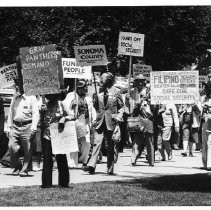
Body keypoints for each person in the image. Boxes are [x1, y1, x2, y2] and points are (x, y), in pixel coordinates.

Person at [83, 72, 124, 175]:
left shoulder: (117, 91)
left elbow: (122, 107)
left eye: (103, 78)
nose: (101, 80)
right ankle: (91, 166)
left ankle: (110, 168)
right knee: (97, 143)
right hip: (100, 122)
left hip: (111, 122)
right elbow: (97, 107)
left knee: (110, 146)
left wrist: (119, 116)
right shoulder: (99, 92)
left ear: (109, 80)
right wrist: (95, 101)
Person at [7, 81, 40, 176]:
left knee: (28, 149)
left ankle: (25, 169)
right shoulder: (15, 97)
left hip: (27, 126)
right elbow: (10, 112)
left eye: (18, 84)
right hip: (15, 126)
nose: (16, 86)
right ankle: (17, 166)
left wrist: (33, 128)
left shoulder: (31, 97)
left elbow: (35, 113)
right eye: (15, 84)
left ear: (24, 85)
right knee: (12, 147)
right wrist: (8, 127)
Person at [62, 79, 97, 169]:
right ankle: (72, 163)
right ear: (77, 88)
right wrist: (71, 106)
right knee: (73, 142)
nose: (84, 89)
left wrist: (94, 119)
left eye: (85, 87)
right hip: (74, 121)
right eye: (82, 87)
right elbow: (65, 105)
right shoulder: (71, 95)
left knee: (86, 142)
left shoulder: (88, 97)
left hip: (85, 122)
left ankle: (84, 160)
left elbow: (91, 109)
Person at [40, 92, 70, 188]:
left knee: (61, 158)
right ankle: (46, 183)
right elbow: (41, 121)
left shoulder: (61, 104)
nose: (53, 98)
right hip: (47, 135)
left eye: (55, 96)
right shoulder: (44, 105)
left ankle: (63, 183)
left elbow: (72, 115)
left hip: (59, 135)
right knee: (47, 159)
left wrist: (64, 118)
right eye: (51, 96)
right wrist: (42, 112)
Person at [126, 74, 154, 166]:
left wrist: (148, 100)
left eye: (142, 81)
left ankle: (151, 161)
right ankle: (133, 160)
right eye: (139, 81)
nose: (140, 83)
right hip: (137, 118)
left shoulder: (149, 91)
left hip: (148, 118)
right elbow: (129, 105)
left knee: (149, 141)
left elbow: (155, 104)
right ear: (136, 82)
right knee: (137, 140)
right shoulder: (133, 92)